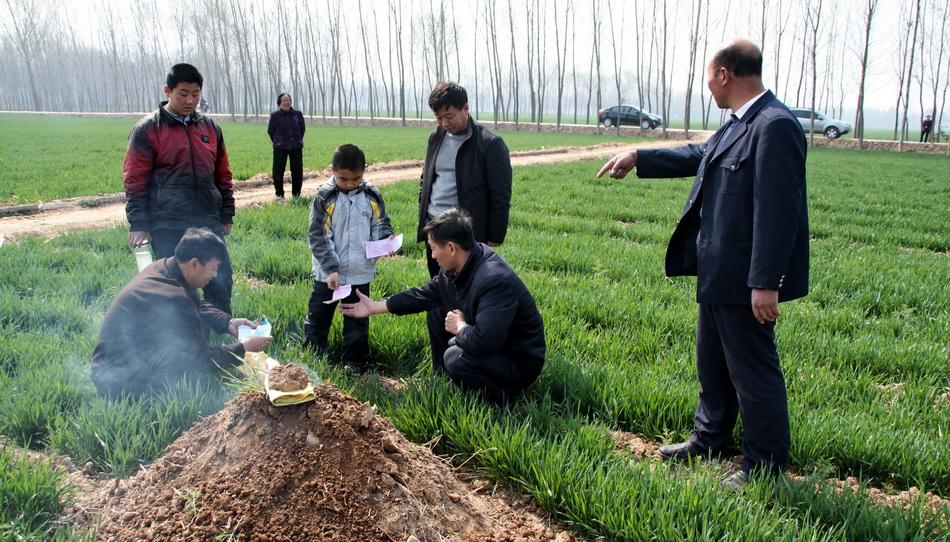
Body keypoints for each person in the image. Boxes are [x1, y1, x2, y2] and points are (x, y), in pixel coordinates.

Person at [597, 39, 808, 488]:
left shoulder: (774, 126)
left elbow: (778, 211)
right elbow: (699, 155)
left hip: (744, 277)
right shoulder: (740, 124)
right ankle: (710, 437)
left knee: (753, 371)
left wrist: (766, 281)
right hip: (717, 270)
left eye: (709, 76)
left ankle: (765, 467)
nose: (708, 85)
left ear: (725, 74)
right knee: (711, 363)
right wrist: (640, 157)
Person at [342, 208, 545, 405]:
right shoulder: (460, 264)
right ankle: (445, 380)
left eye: (433, 247)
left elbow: (486, 342)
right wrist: (374, 307)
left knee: (455, 357)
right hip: (492, 343)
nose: (432, 255)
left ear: (450, 248)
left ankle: (502, 399)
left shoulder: (494, 280)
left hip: (516, 362)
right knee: (437, 311)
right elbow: (423, 295)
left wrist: (460, 328)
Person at [91, 228, 271, 398]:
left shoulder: (166, 267)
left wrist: (228, 322)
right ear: (194, 264)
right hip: (119, 381)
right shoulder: (174, 297)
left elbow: (196, 305)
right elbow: (200, 361)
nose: (215, 275)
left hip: (115, 365)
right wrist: (243, 347)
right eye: (214, 268)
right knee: (190, 368)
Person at [123, 63, 236, 314]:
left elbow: (223, 174)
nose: (190, 100)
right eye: (183, 93)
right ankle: (179, 334)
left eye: (196, 94)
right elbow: (135, 179)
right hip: (168, 220)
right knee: (175, 283)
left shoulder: (210, 128)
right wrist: (139, 222)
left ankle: (220, 326)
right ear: (168, 91)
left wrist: (227, 212)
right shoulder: (148, 130)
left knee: (220, 277)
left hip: (207, 218)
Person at [304, 144, 393, 375]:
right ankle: (312, 358)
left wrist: (385, 240)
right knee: (319, 317)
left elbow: (381, 222)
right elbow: (318, 235)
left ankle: (354, 363)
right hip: (328, 275)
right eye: (344, 179)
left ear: (364, 170)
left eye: (356, 178)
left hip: (359, 273)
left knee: (357, 319)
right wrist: (331, 269)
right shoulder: (325, 197)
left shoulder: (372, 195)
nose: (351, 183)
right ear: (331, 170)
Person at [418, 82, 512, 278]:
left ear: (466, 108)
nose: (444, 123)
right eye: (438, 118)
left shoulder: (489, 144)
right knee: (435, 287)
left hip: (464, 232)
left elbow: (500, 194)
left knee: (464, 291)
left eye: (449, 116)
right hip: (434, 226)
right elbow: (425, 179)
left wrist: (495, 235)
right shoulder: (435, 137)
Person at [268, 93, 307, 198]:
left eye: (288, 100)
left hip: (296, 146)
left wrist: (297, 139)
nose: (286, 102)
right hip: (280, 146)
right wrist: (278, 141)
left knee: (297, 171)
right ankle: (279, 194)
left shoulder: (297, 114)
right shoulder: (275, 116)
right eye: (284, 100)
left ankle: (296, 194)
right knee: (278, 170)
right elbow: (271, 131)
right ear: (279, 103)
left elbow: (302, 129)